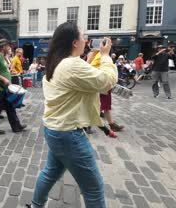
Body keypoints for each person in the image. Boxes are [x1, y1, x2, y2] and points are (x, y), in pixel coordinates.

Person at [29, 22, 117, 208]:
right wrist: (106, 56)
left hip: (55, 129)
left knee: (50, 173)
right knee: (93, 189)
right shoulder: (71, 65)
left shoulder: (57, 62)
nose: (87, 40)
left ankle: (36, 205)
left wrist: (88, 60)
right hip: (69, 134)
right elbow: (106, 81)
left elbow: (73, 78)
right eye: (84, 36)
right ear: (75, 42)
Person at [0, 39, 28, 135]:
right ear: (3, 47)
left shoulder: (2, 57)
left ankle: (16, 126)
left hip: (5, 89)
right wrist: (4, 79)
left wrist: (8, 73)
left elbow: (1, 70)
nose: (9, 47)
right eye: (7, 46)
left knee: (10, 108)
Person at [88, 50, 125, 132]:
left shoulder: (95, 54)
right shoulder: (100, 55)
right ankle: (88, 125)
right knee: (100, 106)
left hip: (101, 85)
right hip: (102, 85)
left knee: (105, 106)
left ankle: (111, 125)